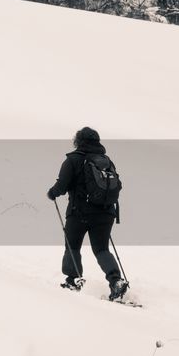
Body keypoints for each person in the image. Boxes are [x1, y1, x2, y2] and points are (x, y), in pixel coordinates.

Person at [47, 126, 129, 300]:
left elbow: (61, 186)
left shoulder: (73, 160)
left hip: (80, 213)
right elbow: (118, 186)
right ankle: (116, 281)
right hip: (106, 213)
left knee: (73, 246)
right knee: (101, 249)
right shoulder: (106, 161)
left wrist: (52, 193)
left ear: (78, 141)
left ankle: (73, 280)